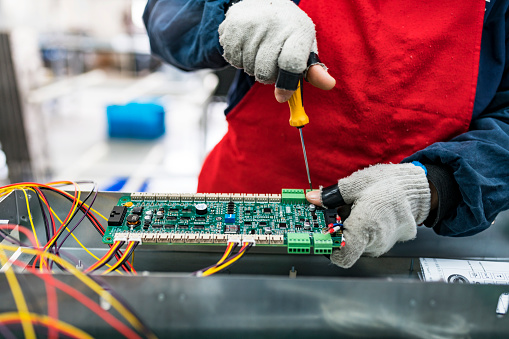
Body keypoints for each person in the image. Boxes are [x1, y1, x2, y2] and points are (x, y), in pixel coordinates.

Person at [143, 0, 509, 268]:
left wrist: (435, 186)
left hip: (408, 239)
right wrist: (229, 10)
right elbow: (166, 17)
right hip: (238, 229)